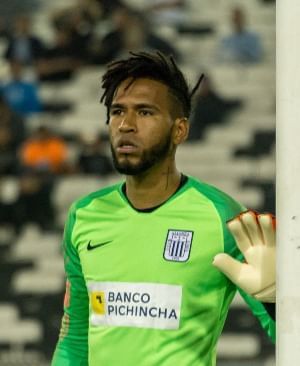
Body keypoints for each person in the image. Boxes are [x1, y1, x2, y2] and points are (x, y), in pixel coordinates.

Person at [51, 52, 275, 366]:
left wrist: (276, 298)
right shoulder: (84, 215)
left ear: (179, 130)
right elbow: (75, 342)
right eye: (117, 112)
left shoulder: (224, 217)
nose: (126, 125)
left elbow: (286, 335)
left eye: (144, 112)